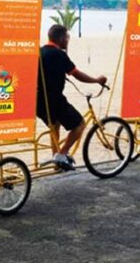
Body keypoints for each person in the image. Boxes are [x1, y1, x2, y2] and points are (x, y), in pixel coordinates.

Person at [37, 24, 107, 171]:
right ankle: (62, 154)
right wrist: (96, 80)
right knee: (80, 124)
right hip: (54, 100)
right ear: (61, 38)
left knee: (54, 126)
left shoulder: (40, 52)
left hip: (38, 101)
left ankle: (57, 162)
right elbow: (77, 74)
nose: (68, 40)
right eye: (67, 37)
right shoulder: (59, 55)